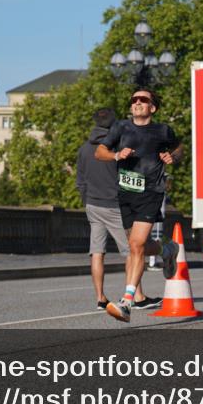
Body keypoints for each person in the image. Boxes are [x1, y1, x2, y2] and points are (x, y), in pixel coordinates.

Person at [97, 89, 182, 323]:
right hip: (126, 193)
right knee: (137, 245)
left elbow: (179, 148)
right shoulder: (120, 127)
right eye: (134, 100)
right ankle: (167, 250)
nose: (137, 102)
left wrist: (173, 157)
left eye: (142, 100)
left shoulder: (163, 130)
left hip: (151, 191)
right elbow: (100, 151)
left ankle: (126, 301)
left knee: (135, 245)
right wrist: (116, 155)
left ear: (152, 108)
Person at [76, 108, 159, 310]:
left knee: (97, 252)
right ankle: (137, 297)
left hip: (93, 205)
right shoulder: (119, 148)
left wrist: (87, 199)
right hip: (115, 205)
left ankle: (100, 298)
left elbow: (81, 181)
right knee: (132, 251)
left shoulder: (84, 148)